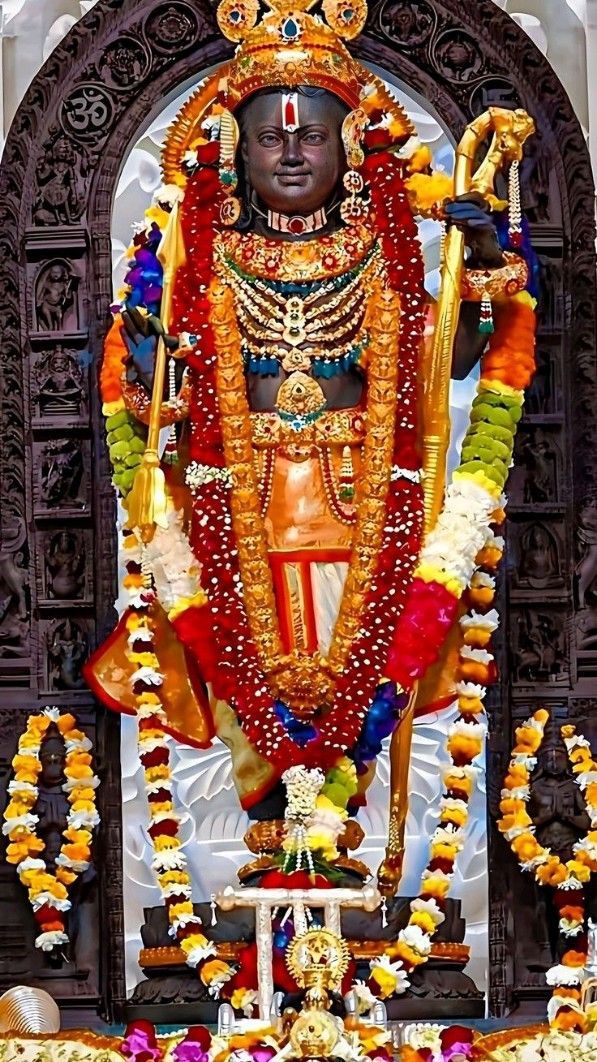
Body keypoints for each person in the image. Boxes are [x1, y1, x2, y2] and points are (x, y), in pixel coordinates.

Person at [87, 0, 535, 856]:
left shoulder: (385, 249)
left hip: (359, 507)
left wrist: (479, 261)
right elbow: (151, 406)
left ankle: (334, 841)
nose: (290, 152)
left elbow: (449, 359)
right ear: (234, 147)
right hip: (238, 504)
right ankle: (273, 846)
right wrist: (152, 374)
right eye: (269, 137)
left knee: (353, 673)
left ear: (348, 151)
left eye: (312, 136)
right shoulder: (199, 253)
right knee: (243, 669)